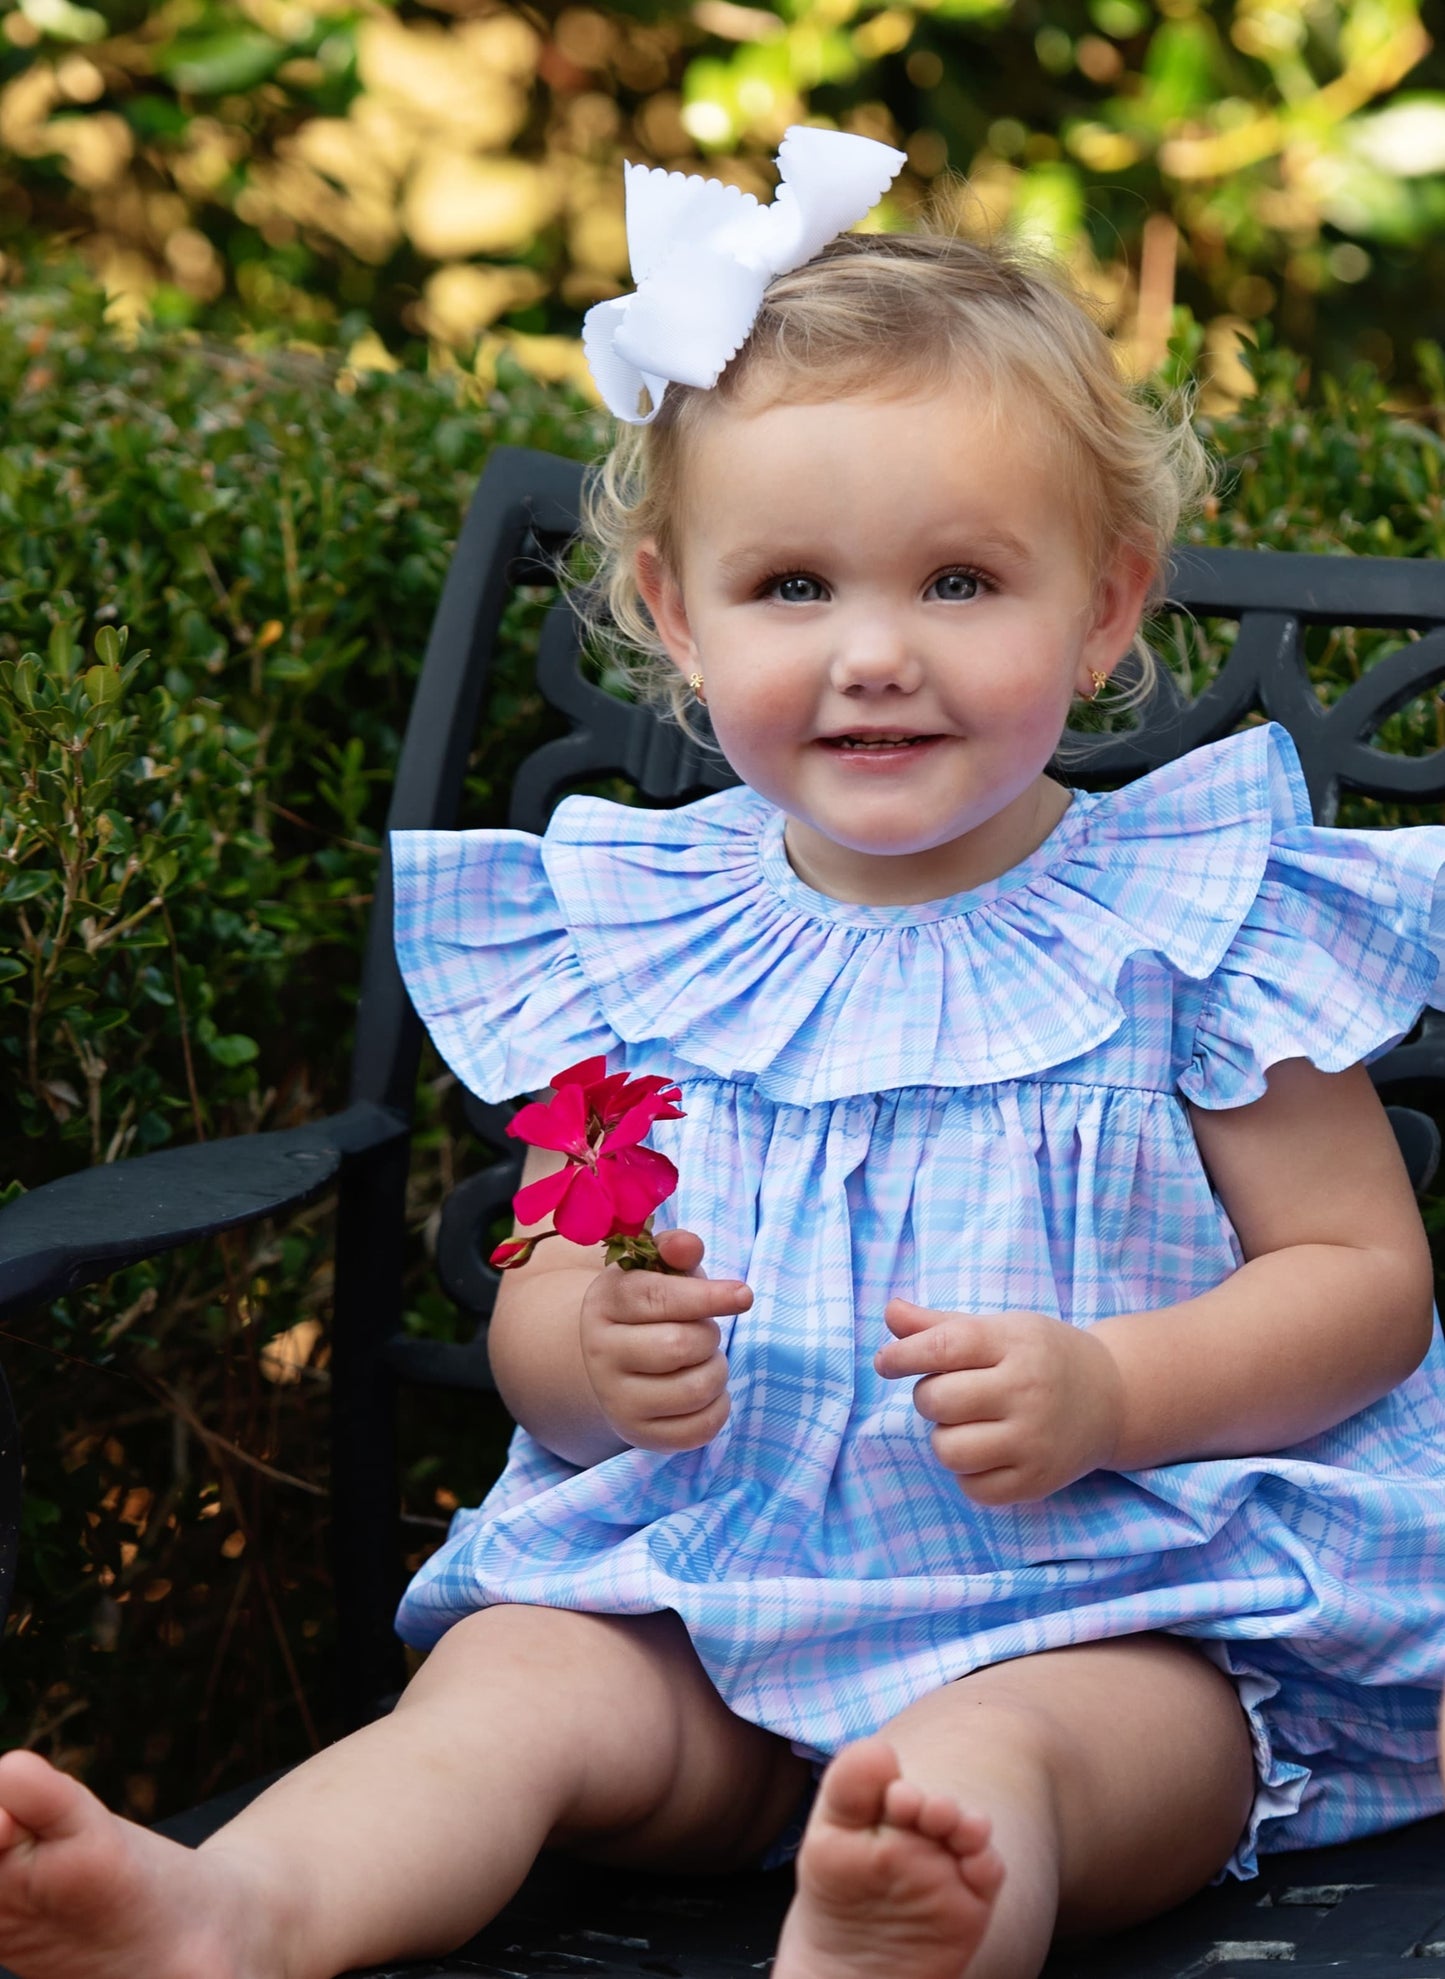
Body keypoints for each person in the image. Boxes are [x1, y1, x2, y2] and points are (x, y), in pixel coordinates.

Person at [0, 126, 1444, 1979]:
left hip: (1117, 1600)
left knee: (1000, 1754)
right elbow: (551, 1287)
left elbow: (1361, 1280)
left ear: (1099, 610)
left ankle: (906, 1914)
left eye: (955, 585)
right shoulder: (632, 934)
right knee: (509, 1689)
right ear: (675, 620)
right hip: (695, 1604)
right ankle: (231, 1913)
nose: (870, 656)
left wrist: (1115, 1389)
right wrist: (591, 1355)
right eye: (790, 590)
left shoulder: (1197, 916)